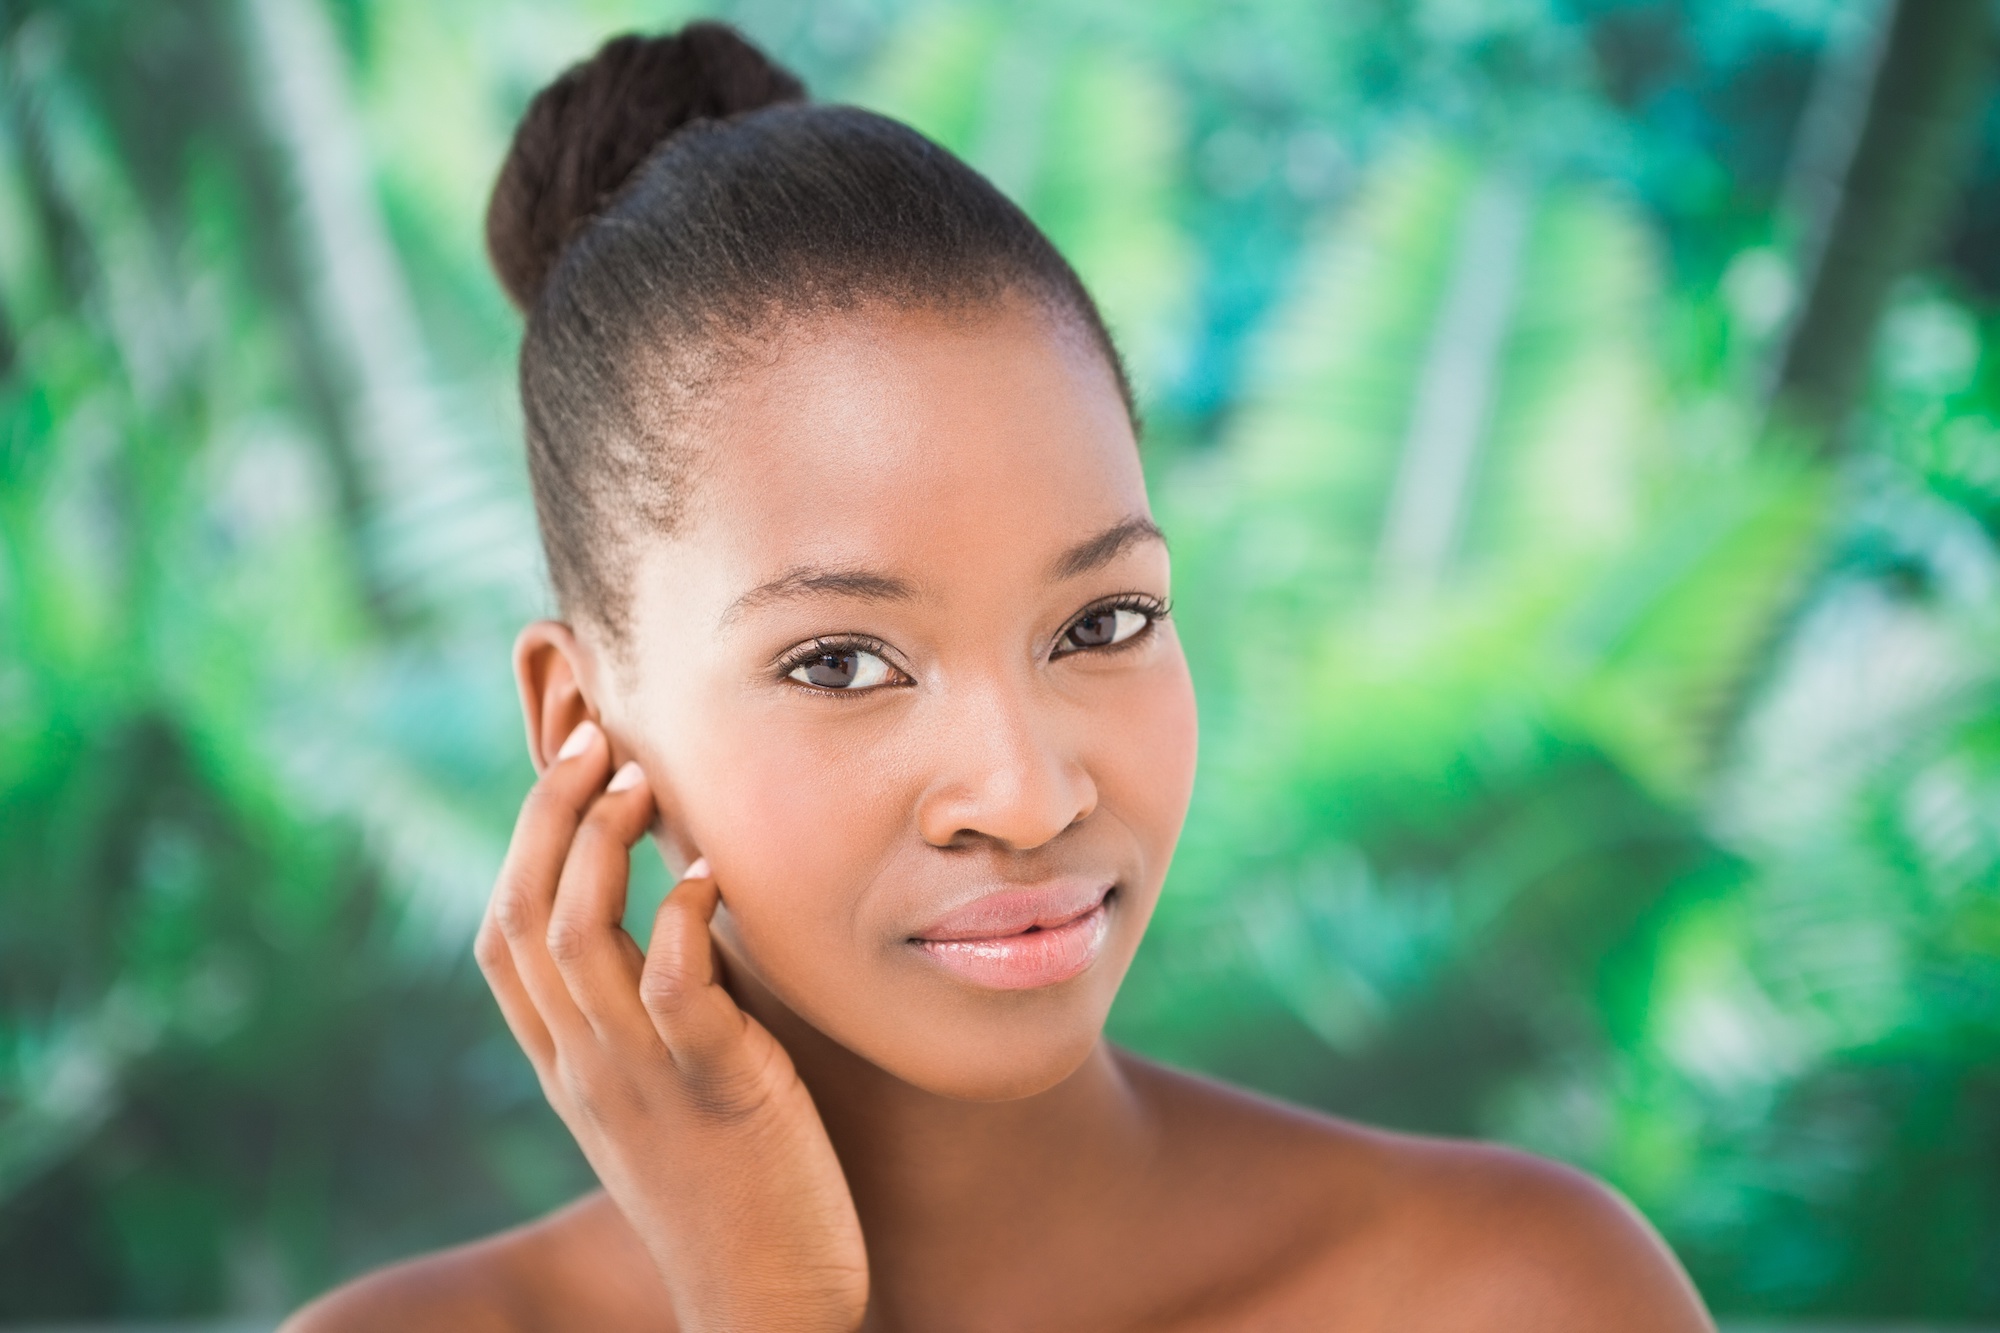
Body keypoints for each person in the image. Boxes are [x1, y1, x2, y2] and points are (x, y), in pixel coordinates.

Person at [284, 21, 1714, 1333]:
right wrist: (767, 1306)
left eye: (1101, 623)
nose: (1027, 795)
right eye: (842, 660)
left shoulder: (1514, 1294)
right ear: (585, 724)